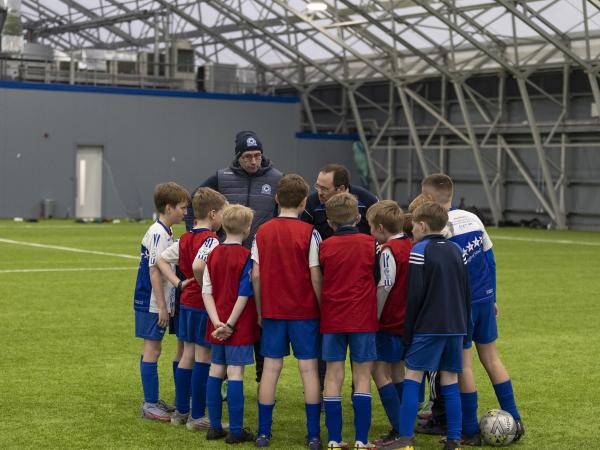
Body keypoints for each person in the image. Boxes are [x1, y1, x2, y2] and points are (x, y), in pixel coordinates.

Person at [420, 174, 524, 444]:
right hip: (484, 299)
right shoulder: (473, 218)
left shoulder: (440, 228)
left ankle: (468, 429)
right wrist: (492, 297)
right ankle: (516, 420)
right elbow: (490, 260)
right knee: (492, 358)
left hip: (460, 306)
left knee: (464, 365)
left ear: (429, 199)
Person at [187, 130, 283, 384]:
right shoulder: (222, 177)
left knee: (261, 318)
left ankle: (263, 378)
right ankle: (228, 378)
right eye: (248, 156)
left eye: (258, 156)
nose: (254, 161)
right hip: (230, 259)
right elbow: (193, 201)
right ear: (238, 157)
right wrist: (197, 231)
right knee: (231, 312)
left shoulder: (277, 179)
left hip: (262, 262)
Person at [251, 174, 323, 449]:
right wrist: (321, 305)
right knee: (309, 371)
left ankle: (263, 434)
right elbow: (315, 275)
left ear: (277, 198)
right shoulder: (310, 233)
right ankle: (313, 435)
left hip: (272, 311)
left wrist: (260, 310)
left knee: (270, 369)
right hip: (305, 312)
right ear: (304, 201)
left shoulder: (263, 231)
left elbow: (256, 276)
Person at [395, 202, 471, 450]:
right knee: (449, 381)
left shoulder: (420, 250)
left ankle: (406, 438)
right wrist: (465, 330)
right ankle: (453, 441)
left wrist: (408, 333)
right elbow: (465, 292)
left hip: (428, 326)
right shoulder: (456, 250)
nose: (412, 230)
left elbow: (414, 296)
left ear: (422, 225)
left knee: (412, 377)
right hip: (456, 327)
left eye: (414, 226)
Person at [156, 187, 227, 430]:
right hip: (200, 304)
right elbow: (199, 265)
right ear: (214, 214)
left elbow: (161, 259)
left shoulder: (185, 238)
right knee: (202, 357)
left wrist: (178, 283)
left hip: (186, 304)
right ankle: (197, 416)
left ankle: (180, 412)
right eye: (223, 215)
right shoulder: (211, 239)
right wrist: (201, 282)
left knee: (187, 354)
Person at [319, 192, 379, 450]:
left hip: (332, 318)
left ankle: (333, 439)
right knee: (362, 376)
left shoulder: (324, 246)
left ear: (330, 223)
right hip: (363, 319)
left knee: (333, 376)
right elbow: (378, 278)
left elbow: (319, 277)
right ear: (358, 217)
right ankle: (361, 440)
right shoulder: (371, 244)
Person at [133, 181, 190, 422]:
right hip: (150, 301)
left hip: (158, 300)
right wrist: (163, 306)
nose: (185, 213)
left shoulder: (165, 230)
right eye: (182, 208)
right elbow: (155, 270)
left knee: (155, 349)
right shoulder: (157, 232)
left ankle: (154, 400)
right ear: (168, 208)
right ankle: (149, 404)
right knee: (152, 349)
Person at [202, 204, 258, 444]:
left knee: (216, 370)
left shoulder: (213, 254)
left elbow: (206, 291)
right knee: (235, 374)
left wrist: (217, 323)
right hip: (239, 325)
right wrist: (230, 325)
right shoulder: (247, 257)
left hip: (216, 325)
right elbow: (244, 295)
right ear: (247, 229)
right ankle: (235, 430)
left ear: (223, 226)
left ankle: (214, 427)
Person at [365, 201, 412, 449]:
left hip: (390, 322)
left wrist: (376, 315)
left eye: (371, 227)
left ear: (381, 227)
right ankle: (406, 423)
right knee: (398, 372)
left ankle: (400, 429)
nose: (370, 232)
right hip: (407, 323)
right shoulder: (410, 244)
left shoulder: (388, 250)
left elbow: (386, 284)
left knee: (377, 371)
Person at [301, 163, 378, 240]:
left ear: (341, 189)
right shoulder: (311, 203)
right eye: (318, 186)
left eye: (324, 189)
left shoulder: (368, 201)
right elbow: (304, 236)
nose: (319, 193)